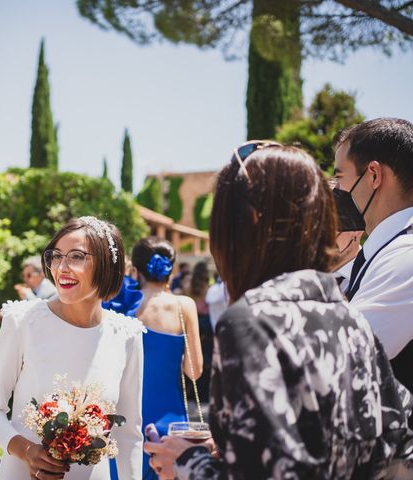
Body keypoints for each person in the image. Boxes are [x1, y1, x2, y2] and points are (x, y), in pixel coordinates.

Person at [145, 143, 413, 479]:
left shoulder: (251, 323)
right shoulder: (350, 320)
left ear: (248, 220)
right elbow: (398, 448)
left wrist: (188, 464)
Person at [0, 217, 144, 479]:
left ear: (106, 265)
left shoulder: (127, 335)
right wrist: (26, 451)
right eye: (55, 256)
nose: (61, 268)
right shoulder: (22, 321)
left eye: (76, 257)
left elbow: (129, 435)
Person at [333, 118, 413, 393]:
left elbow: (340, 357)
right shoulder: (388, 249)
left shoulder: (406, 257)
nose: (336, 191)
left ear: (374, 175)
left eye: (340, 177)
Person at [131, 237, 203, 477]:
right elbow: (194, 371)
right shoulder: (184, 305)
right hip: (170, 419)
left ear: (135, 270)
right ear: (171, 269)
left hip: (129, 417)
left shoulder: (124, 305)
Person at [186, 262, 213, 401]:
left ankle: (191, 391)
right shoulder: (209, 290)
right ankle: (202, 394)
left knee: (191, 357)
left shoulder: (188, 287)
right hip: (205, 327)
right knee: (204, 361)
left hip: (191, 323)